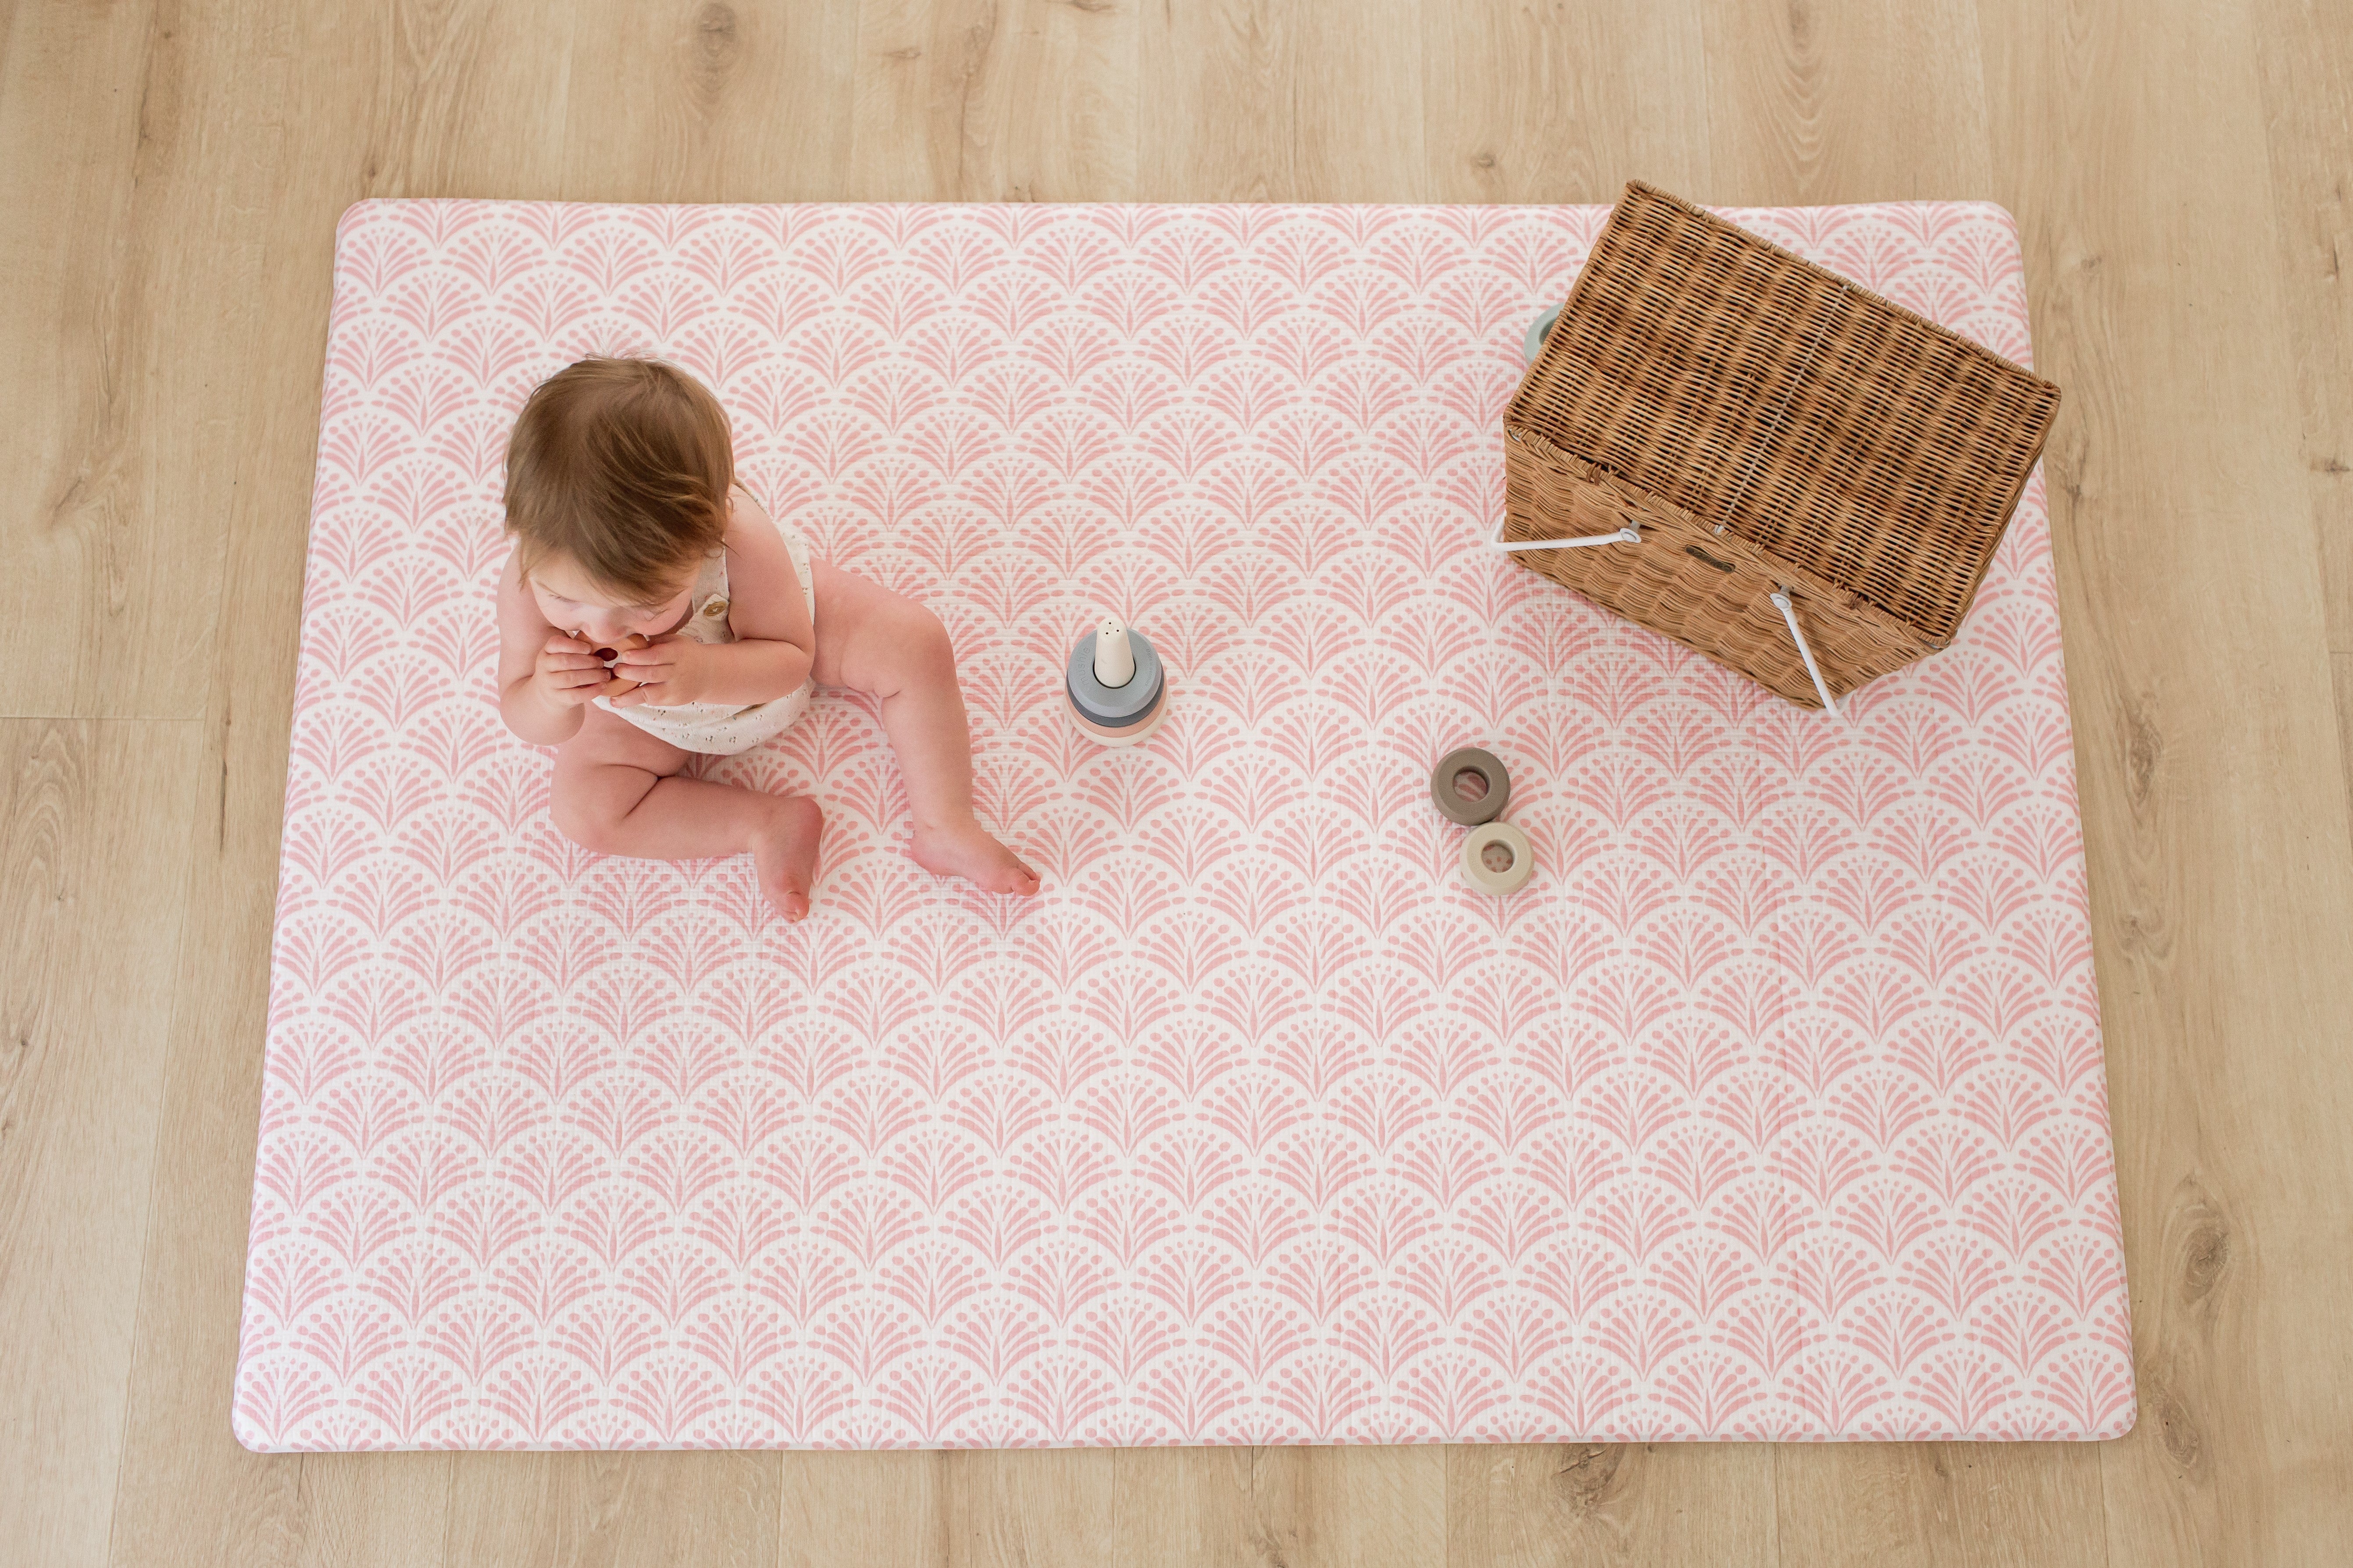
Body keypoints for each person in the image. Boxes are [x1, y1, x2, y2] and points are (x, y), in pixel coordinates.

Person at [493, 357, 1039, 921]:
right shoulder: (525, 585)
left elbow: (791, 659)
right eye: (566, 601)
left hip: (767, 640)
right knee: (584, 811)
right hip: (649, 722)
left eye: (647, 604)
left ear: (705, 533)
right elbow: (520, 711)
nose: (603, 630)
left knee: (915, 642)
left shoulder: (738, 540)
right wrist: (549, 696)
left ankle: (945, 823)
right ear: (524, 538)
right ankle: (763, 824)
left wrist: (704, 675)